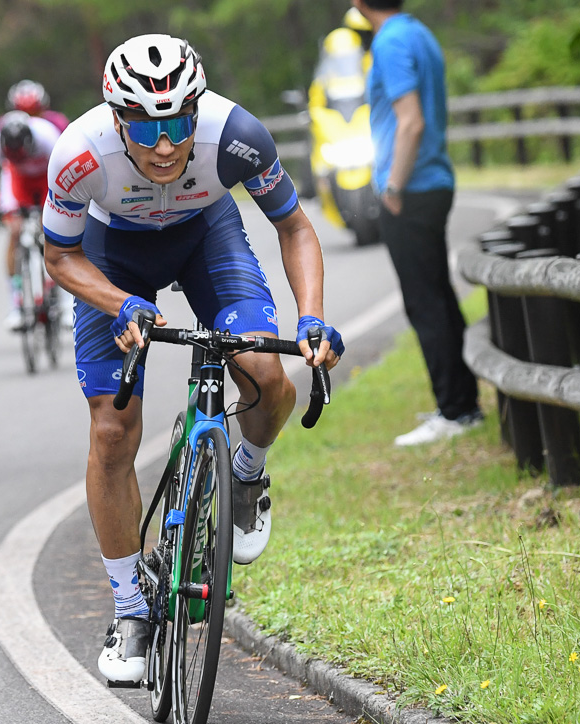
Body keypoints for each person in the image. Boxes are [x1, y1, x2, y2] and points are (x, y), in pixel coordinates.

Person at [43, 34, 343, 684]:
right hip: (111, 257)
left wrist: (312, 316)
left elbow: (293, 227)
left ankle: (245, 474)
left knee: (268, 377)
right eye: (146, 127)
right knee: (112, 427)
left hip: (207, 237)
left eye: (178, 124)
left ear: (197, 112)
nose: (163, 145)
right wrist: (121, 305)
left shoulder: (238, 137)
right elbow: (59, 256)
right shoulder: (78, 155)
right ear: (117, 118)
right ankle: (130, 613)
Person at [352, 0, 482, 446]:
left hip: (412, 192)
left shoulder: (388, 42)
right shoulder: (419, 33)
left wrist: (392, 187)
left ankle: (456, 410)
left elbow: (411, 122)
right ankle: (462, 403)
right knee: (439, 297)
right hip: (434, 182)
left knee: (425, 302)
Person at [0, 82, 72, 328]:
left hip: (48, 177)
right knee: (15, 232)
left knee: (56, 233)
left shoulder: (48, 133)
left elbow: (67, 174)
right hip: (17, 180)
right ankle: (16, 304)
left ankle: (68, 302)